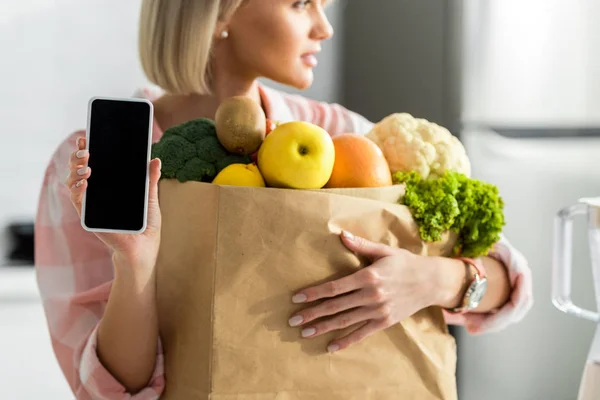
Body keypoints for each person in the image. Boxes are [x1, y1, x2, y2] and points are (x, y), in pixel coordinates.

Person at [34, 0, 534, 398]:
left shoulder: (342, 134)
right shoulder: (88, 168)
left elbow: (507, 283)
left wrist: (431, 278)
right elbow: (115, 392)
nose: (324, 28)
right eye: (300, 3)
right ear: (219, 14)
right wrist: (134, 265)